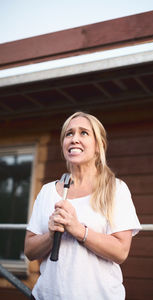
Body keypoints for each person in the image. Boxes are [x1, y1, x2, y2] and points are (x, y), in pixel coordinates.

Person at [24, 111, 141, 300]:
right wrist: (51, 235)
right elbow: (29, 250)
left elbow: (121, 252)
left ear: (98, 145)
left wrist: (78, 230)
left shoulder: (116, 189)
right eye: (69, 134)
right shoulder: (47, 191)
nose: (74, 139)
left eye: (84, 133)